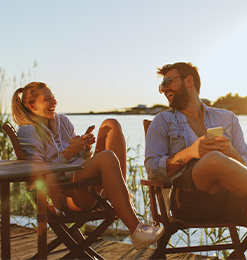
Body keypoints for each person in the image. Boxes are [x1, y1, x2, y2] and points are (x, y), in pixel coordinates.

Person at [144, 62, 247, 259]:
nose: (163, 89)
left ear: (189, 81)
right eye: (161, 85)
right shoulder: (162, 122)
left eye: (168, 81)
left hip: (228, 198)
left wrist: (231, 152)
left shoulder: (227, 118)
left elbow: (245, 166)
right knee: (213, 159)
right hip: (186, 201)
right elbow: (153, 171)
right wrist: (190, 152)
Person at [11, 82, 164, 250]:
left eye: (53, 97)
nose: (54, 102)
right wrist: (68, 153)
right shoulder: (28, 132)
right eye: (47, 99)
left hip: (85, 183)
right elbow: (41, 177)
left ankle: (118, 196)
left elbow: (81, 158)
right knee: (106, 157)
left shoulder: (62, 121)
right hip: (68, 196)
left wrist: (84, 149)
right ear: (32, 106)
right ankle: (136, 230)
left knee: (110, 124)